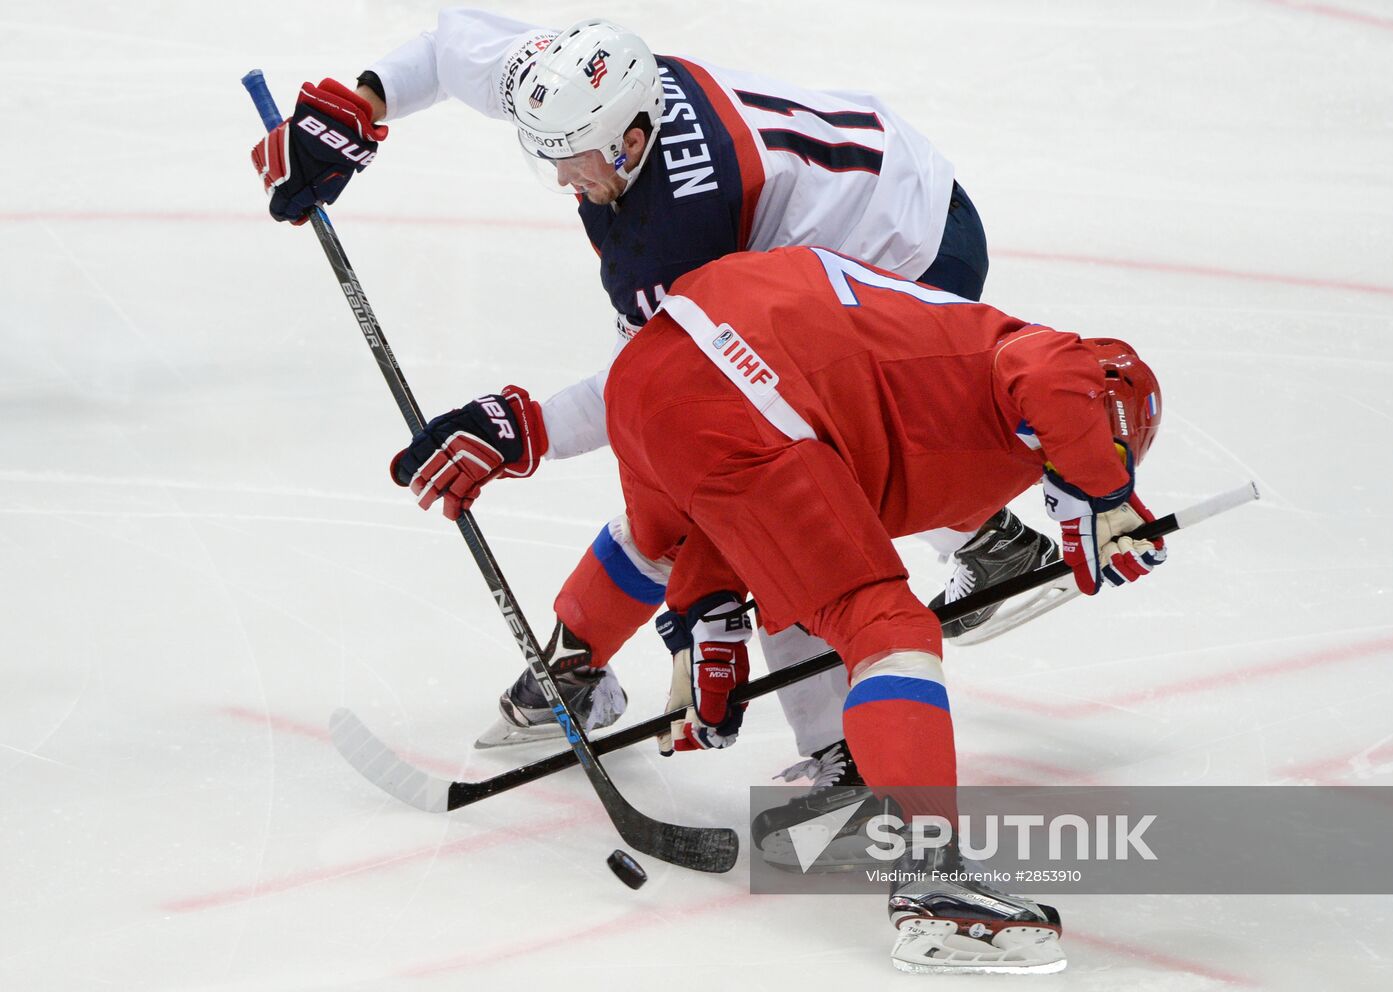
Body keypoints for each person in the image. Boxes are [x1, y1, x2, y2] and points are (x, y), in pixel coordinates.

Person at [249, 10, 1056, 821]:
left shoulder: (678, 230)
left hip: (903, 251)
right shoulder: (578, 90)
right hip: (869, 185)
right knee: (724, 477)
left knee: (778, 503)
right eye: (549, 158)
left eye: (574, 161)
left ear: (633, 139)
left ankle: (845, 743)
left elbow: (659, 401)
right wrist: (358, 109)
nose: (563, 180)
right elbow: (449, 45)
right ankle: (983, 540)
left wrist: (523, 428)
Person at [604, 245, 1161, 972]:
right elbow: (1053, 371)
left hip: (658, 378)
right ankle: (935, 884)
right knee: (890, 629)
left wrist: (703, 616)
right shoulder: (1041, 361)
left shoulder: (933, 403)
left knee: (821, 578)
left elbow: (740, 503)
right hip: (741, 376)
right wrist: (1105, 493)